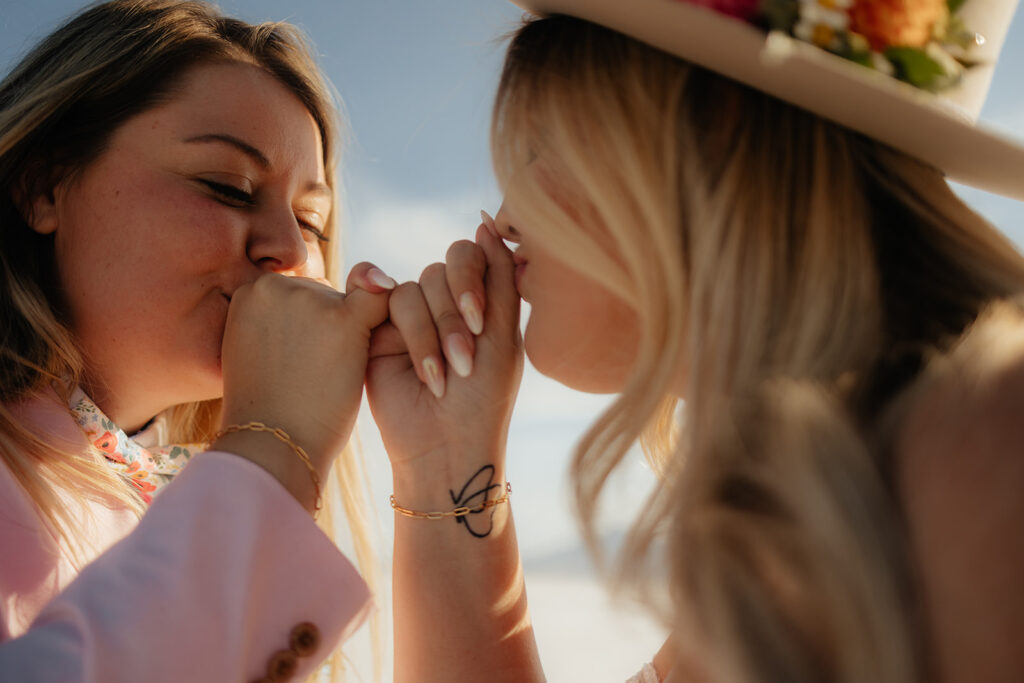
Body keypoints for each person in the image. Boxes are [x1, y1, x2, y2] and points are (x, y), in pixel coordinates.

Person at [364, 0, 1024, 681]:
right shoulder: (817, 507)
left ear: (708, 130)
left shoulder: (989, 455)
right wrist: (443, 461)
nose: (503, 220)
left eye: (537, 147)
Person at [0, 1, 397, 679]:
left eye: (313, 220)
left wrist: (444, 467)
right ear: (45, 185)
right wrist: (271, 446)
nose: (290, 250)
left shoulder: (173, 499)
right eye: (228, 186)